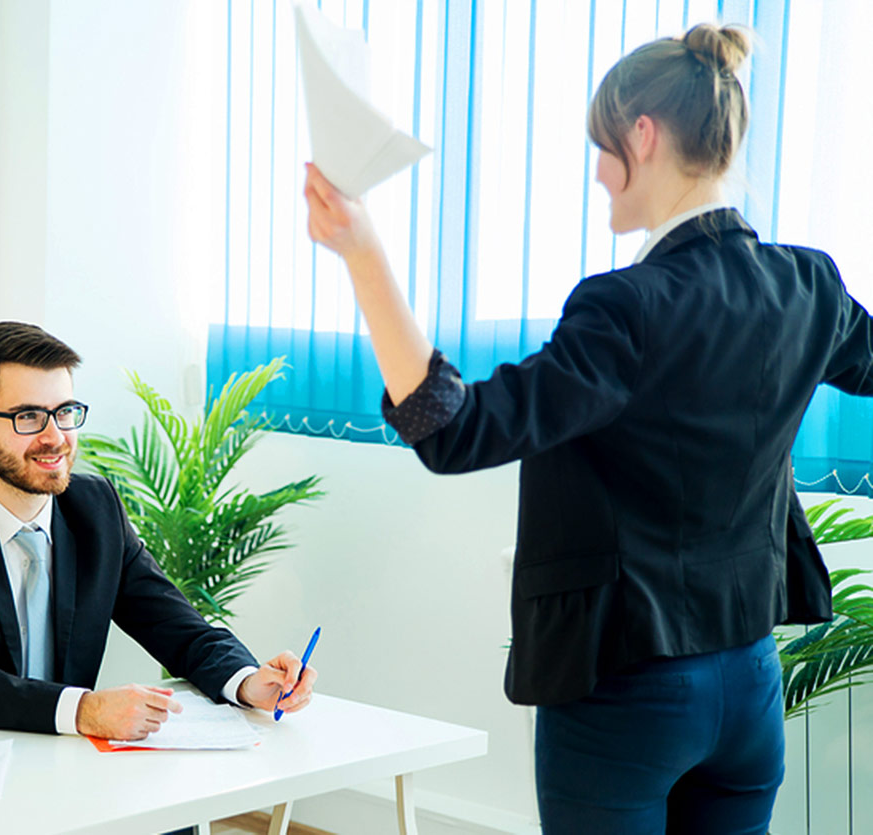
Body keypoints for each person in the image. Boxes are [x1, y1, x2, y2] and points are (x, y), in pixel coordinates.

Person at [303, 23, 869, 834]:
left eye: (602, 148)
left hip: (628, 694)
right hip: (749, 682)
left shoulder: (626, 307)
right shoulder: (809, 282)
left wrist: (363, 253)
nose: (599, 173)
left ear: (643, 134)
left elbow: (454, 429)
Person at [0, 321, 316, 740]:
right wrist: (83, 710)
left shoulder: (95, 508)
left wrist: (247, 681)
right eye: (28, 417)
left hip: (73, 761)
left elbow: (179, 628)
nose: (55, 437)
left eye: (64, 412)